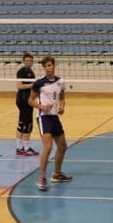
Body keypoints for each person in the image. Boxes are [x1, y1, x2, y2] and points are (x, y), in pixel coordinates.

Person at [30, 56, 72, 192]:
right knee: (48, 147)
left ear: (54, 65)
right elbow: (30, 101)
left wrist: (62, 106)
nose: (48, 68)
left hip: (54, 117)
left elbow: (62, 97)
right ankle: (41, 178)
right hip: (44, 118)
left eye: (49, 65)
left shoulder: (61, 82)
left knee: (63, 146)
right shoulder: (39, 83)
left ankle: (57, 174)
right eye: (45, 66)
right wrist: (42, 107)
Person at [15, 52, 39, 157]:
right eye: (27, 61)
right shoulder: (21, 71)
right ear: (24, 61)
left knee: (21, 123)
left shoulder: (31, 72)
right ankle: (26, 148)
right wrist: (32, 85)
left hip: (26, 100)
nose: (29, 62)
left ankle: (19, 148)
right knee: (27, 124)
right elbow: (19, 86)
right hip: (24, 101)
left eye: (30, 61)